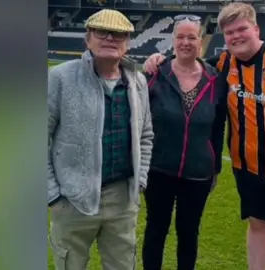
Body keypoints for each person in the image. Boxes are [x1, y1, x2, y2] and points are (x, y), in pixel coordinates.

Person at [143, 3, 265, 270]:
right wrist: (158, 59)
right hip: (246, 166)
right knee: (257, 225)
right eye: (229, 32)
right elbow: (187, 62)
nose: (236, 36)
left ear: (256, 28)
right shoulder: (224, 63)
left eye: (241, 29)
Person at [47, 9, 154, 270]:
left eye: (118, 33)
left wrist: (139, 179)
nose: (110, 38)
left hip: (121, 200)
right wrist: (52, 194)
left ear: (127, 41)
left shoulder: (137, 81)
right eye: (101, 32)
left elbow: (146, 135)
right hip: (72, 199)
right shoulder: (60, 77)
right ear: (88, 39)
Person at [142, 14, 227, 270]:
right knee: (156, 229)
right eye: (180, 36)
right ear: (173, 40)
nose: (186, 42)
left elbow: (218, 127)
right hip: (158, 168)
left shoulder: (216, 80)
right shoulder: (155, 74)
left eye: (192, 37)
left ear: (201, 41)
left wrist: (215, 168)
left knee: (189, 234)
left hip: (198, 172)